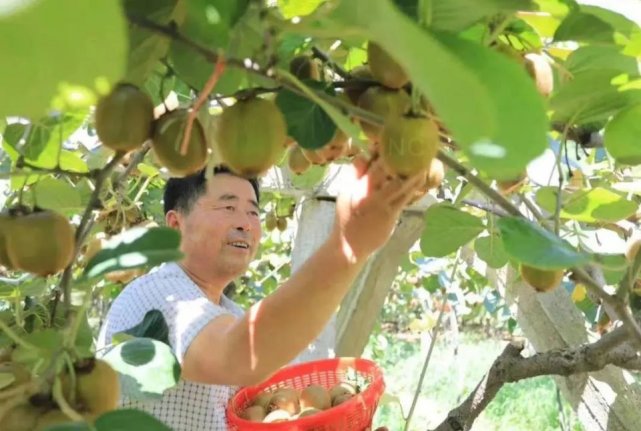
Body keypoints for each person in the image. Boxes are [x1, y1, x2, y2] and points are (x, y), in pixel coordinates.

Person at [97, 155, 426, 430]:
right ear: (175, 225)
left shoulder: (230, 316)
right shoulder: (158, 295)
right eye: (228, 207)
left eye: (253, 211)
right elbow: (238, 356)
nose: (245, 223)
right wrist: (349, 245)